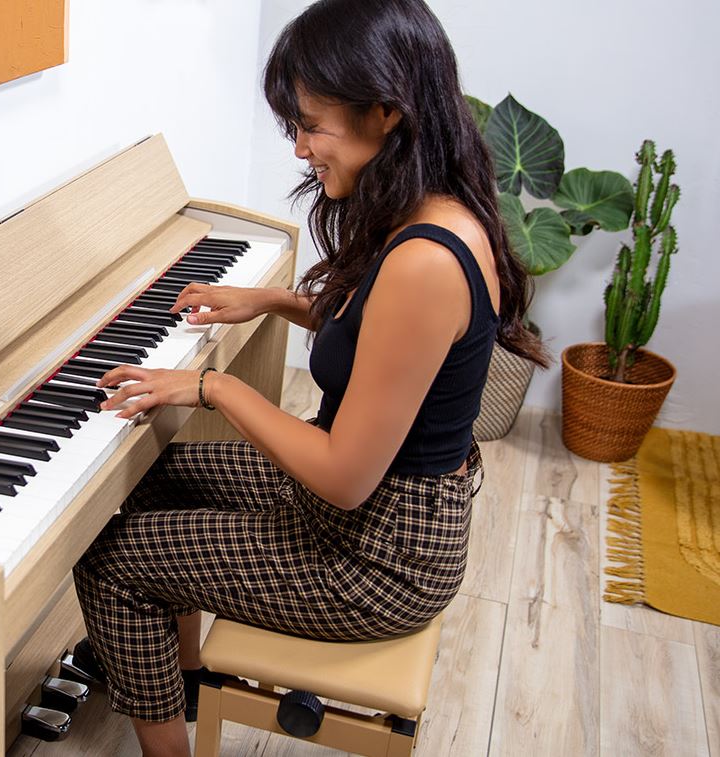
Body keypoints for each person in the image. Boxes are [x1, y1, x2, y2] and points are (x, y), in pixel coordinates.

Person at [72, 0, 549, 754]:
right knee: (154, 478)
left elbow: (343, 477)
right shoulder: (425, 209)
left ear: (386, 111)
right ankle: (185, 677)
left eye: (311, 125)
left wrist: (211, 387)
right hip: (374, 516)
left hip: (378, 555)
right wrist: (267, 299)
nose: (299, 148)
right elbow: (372, 335)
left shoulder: (427, 260)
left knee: (110, 560)